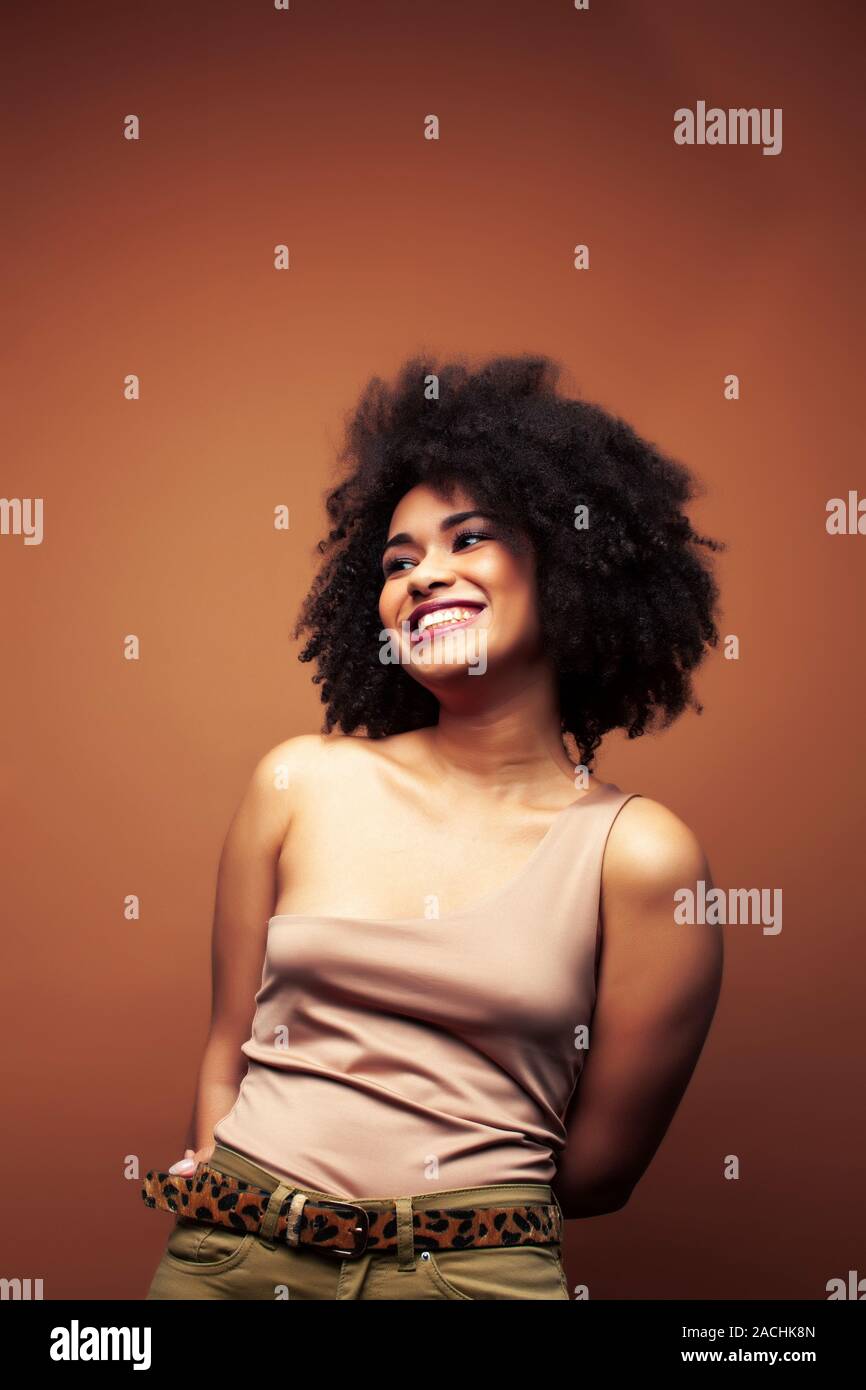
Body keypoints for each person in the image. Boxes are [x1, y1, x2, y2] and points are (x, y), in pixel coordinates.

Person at [144, 354, 725, 1300]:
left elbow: (600, 1173)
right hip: (231, 1259)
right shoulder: (300, 781)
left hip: (468, 1278)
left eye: (470, 540)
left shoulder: (642, 856)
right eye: (399, 561)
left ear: (570, 563)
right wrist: (219, 1177)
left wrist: (441, 1225)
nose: (424, 577)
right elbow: (229, 1046)